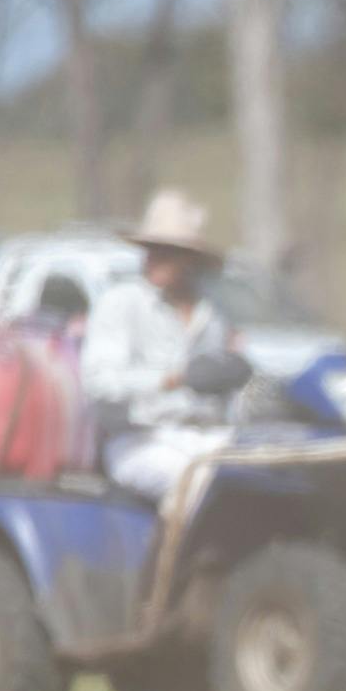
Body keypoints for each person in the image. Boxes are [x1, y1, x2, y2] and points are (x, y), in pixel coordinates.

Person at [80, 190, 238, 502]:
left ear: (189, 259)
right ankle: (184, 551)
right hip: (139, 440)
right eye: (150, 249)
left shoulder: (213, 314)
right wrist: (172, 379)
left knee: (261, 472)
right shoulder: (122, 303)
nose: (153, 259)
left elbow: (224, 384)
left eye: (166, 251)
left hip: (206, 435)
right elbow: (99, 382)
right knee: (194, 481)